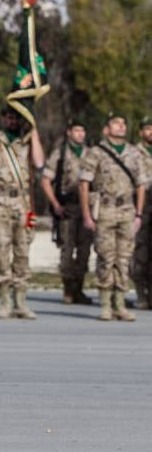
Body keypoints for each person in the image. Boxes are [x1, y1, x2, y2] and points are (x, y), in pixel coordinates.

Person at [0, 107, 46, 319]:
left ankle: (21, 302)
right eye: (10, 117)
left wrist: (35, 133)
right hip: (0, 203)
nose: (13, 122)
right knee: (2, 251)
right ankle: (5, 301)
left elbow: (39, 163)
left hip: (23, 204)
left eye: (17, 118)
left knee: (23, 252)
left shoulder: (26, 142)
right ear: (3, 118)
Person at [78, 112, 145, 322]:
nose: (121, 126)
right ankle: (106, 304)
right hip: (105, 211)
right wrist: (87, 216)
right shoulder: (96, 153)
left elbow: (141, 184)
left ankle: (120, 303)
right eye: (116, 123)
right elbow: (83, 184)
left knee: (124, 258)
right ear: (106, 129)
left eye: (124, 123)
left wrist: (139, 214)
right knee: (106, 257)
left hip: (126, 210)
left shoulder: (134, 153)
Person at [40, 120, 93, 305]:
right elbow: (46, 180)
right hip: (67, 208)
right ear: (69, 132)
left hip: (86, 207)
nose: (81, 134)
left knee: (85, 251)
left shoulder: (91, 153)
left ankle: (79, 288)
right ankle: (68, 289)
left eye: (83, 130)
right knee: (67, 250)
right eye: (77, 130)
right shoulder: (60, 153)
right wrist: (55, 204)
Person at [131, 117, 152, 310]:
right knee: (140, 251)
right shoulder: (133, 153)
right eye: (148, 128)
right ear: (141, 132)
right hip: (141, 206)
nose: (151, 131)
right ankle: (141, 293)